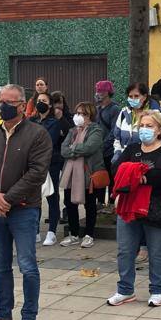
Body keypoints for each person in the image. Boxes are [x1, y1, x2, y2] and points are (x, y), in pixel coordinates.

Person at [0, 83, 52, 320]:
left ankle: (29, 317)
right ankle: (3, 315)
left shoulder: (37, 134)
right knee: (0, 266)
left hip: (23, 209)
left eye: (8, 102)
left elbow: (37, 173)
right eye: (0, 101)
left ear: (21, 105)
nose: (1, 106)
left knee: (28, 266)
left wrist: (7, 199)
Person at [107, 110, 161, 307]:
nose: (144, 130)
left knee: (157, 251)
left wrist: (137, 176)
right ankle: (125, 290)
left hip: (155, 207)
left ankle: (158, 290)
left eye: (149, 126)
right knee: (125, 250)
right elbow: (117, 169)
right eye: (141, 126)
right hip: (129, 205)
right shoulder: (131, 149)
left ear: (159, 130)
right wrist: (139, 175)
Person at [59, 102, 105, 248]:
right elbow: (63, 149)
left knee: (90, 205)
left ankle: (89, 235)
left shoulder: (96, 130)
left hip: (87, 173)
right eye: (77, 113)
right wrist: (75, 150)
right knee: (69, 203)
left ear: (90, 115)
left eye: (83, 114)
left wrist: (72, 149)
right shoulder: (72, 131)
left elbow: (89, 148)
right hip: (70, 174)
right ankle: (73, 234)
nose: (79, 116)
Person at [29, 92, 69, 248]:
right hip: (33, 164)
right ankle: (35, 231)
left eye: (44, 100)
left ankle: (52, 231)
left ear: (50, 104)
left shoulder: (54, 122)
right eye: (39, 100)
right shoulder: (32, 121)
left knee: (51, 196)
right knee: (34, 197)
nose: (41, 103)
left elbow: (48, 141)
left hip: (51, 163)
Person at [95, 80, 119, 209]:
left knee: (111, 176)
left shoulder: (114, 109)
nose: (98, 93)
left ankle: (111, 202)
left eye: (100, 91)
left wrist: (104, 145)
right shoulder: (98, 109)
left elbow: (114, 130)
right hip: (98, 150)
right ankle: (99, 202)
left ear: (107, 92)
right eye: (97, 90)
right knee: (100, 175)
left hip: (110, 150)